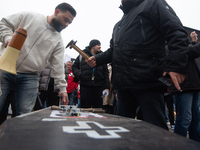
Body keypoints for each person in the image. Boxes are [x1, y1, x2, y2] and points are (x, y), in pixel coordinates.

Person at [86, 0, 189, 130]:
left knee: (155, 130)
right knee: (121, 130)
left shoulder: (153, 4)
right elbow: (113, 51)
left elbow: (176, 32)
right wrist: (98, 59)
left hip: (148, 82)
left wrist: (176, 65)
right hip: (124, 86)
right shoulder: (119, 24)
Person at [0, 2, 76, 115]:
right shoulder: (30, 16)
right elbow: (4, 23)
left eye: (69, 22)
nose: (66, 25)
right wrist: (7, 37)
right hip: (4, 68)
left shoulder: (58, 41)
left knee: (24, 114)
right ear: (56, 12)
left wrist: (63, 89)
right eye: (66, 20)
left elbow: (58, 66)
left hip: (29, 76)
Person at [169, 31, 200, 142]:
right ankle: (179, 144)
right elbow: (194, 51)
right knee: (184, 120)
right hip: (183, 87)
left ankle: (195, 144)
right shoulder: (175, 47)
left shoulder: (184, 47)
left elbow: (191, 50)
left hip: (193, 86)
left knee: (195, 120)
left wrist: (193, 41)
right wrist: (194, 42)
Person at [72, 39, 110, 108]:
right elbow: (74, 67)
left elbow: (106, 73)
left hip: (98, 86)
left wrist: (107, 87)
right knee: (85, 108)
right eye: (98, 45)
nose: (100, 47)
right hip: (85, 86)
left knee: (98, 108)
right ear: (92, 47)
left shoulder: (102, 57)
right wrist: (80, 75)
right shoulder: (82, 55)